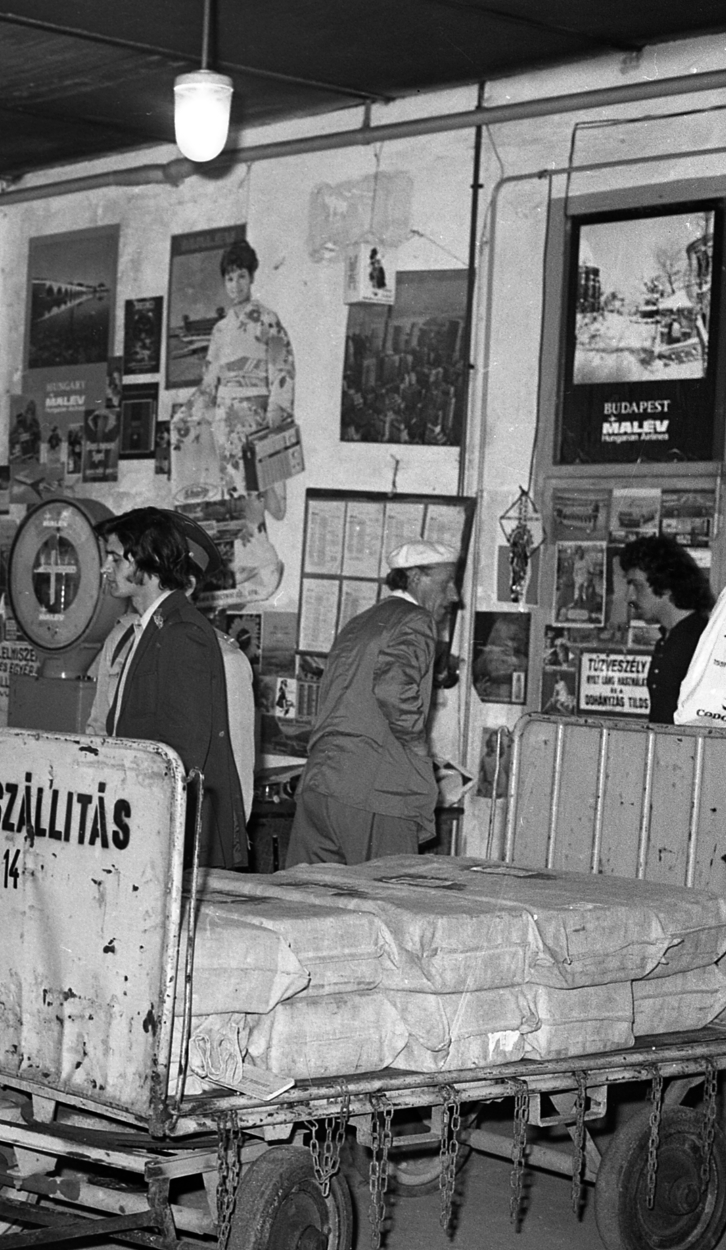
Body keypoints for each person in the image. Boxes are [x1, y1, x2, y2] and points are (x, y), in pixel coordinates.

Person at [285, 539, 461, 867]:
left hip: (321, 787)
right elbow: (394, 689)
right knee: (388, 900)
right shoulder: (416, 621)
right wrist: (419, 747)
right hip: (375, 793)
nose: (454, 595)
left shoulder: (361, 622)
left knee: (313, 902)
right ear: (415, 577)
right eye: (447, 582)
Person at [96, 508, 248, 869]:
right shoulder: (153, 629)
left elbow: (181, 757)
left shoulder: (181, 634)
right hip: (144, 822)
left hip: (170, 834)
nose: (106, 568)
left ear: (148, 562)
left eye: (116, 558)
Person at [169, 238, 296, 605]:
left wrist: (276, 407)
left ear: (251, 277)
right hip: (225, 419)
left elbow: (282, 366)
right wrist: (188, 413)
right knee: (232, 498)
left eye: (241, 277)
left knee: (253, 494)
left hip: (255, 417)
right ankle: (240, 571)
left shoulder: (266, 319)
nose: (235, 285)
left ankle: (263, 567)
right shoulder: (221, 330)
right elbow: (209, 381)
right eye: (229, 279)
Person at [619, 535, 714, 723]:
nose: (629, 597)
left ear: (666, 585)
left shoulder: (699, 640)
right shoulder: (669, 637)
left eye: (637, 586)